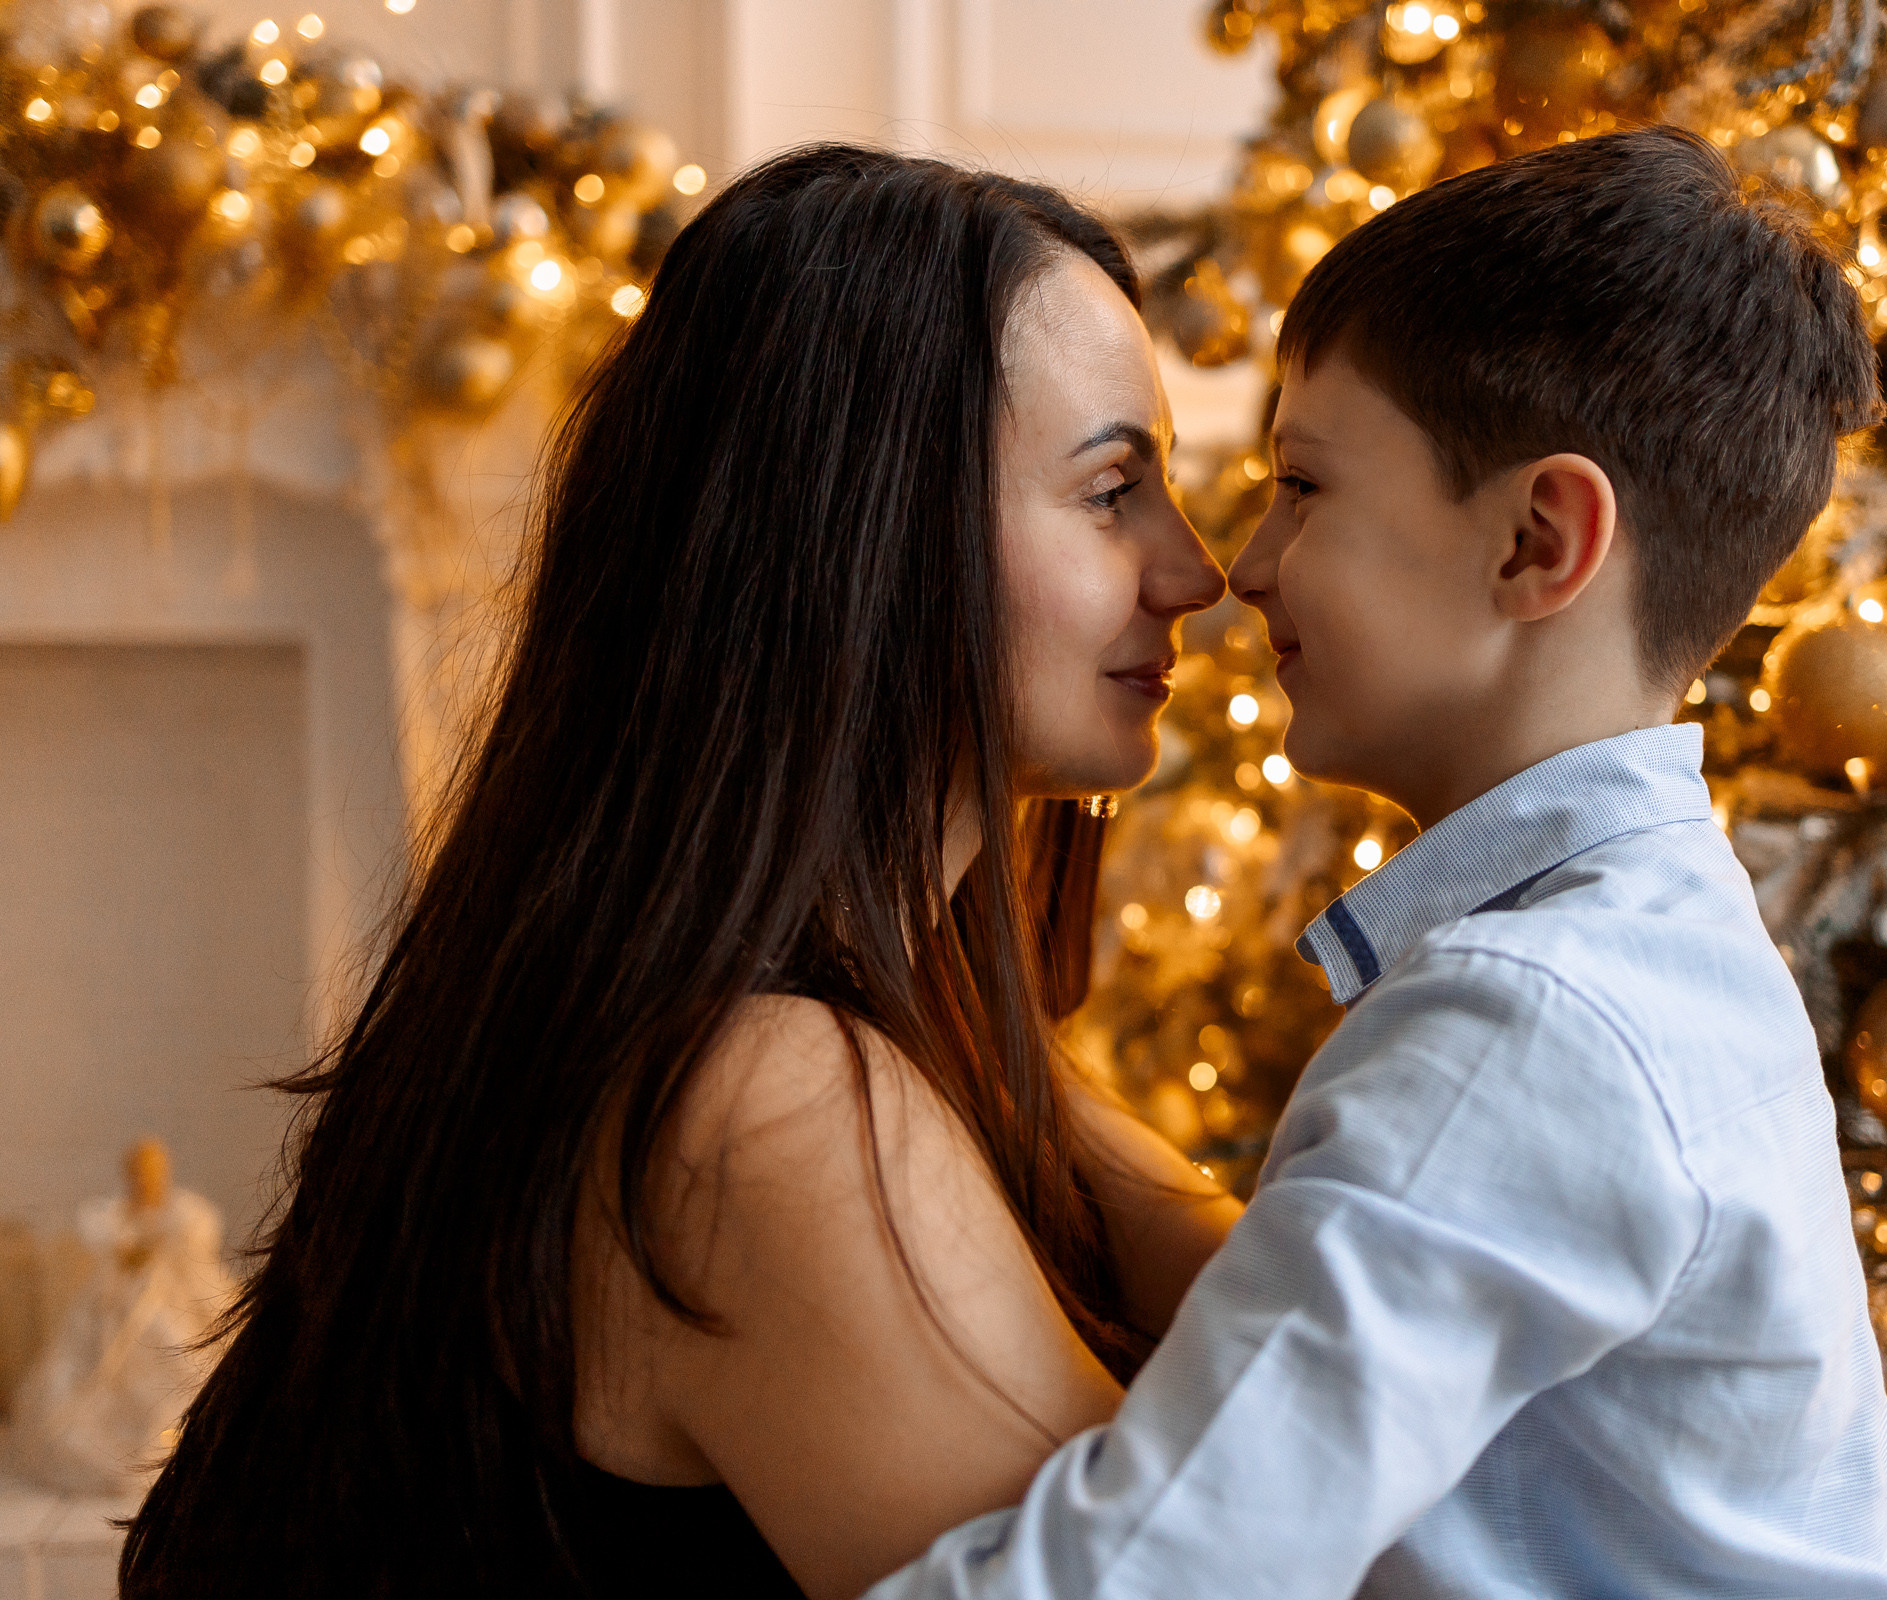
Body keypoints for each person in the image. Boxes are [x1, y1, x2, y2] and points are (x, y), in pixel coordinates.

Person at [867, 127, 1887, 1599]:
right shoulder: (1655, 939)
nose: (1242, 562)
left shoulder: (1529, 1020)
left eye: (1302, 484)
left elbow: (1160, 1569)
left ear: (1538, 540)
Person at [117, 146, 1235, 1598]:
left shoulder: (784, 1016)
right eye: (1112, 490)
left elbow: (1257, 1304)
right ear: (866, 526)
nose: (1195, 568)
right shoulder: (757, 1102)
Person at [7, 1137, 233, 1497]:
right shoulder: (113, 1217)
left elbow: (196, 1256)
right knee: (94, 1373)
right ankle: (122, 1450)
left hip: (172, 1305)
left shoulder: (185, 1214)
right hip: (115, 1314)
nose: (146, 1181)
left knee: (178, 1351)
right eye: (138, 1173)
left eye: (153, 1172)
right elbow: (109, 1254)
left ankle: (174, 1441)